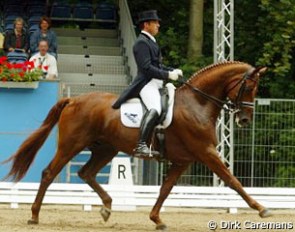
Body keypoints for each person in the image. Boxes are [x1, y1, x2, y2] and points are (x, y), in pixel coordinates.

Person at [112, 10, 182, 158]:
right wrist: (168, 75)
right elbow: (147, 68)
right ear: (146, 24)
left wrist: (172, 70)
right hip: (146, 83)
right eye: (155, 22)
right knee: (155, 108)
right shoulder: (141, 43)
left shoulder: (151, 41)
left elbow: (157, 65)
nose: (158, 25)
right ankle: (141, 145)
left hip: (156, 83)